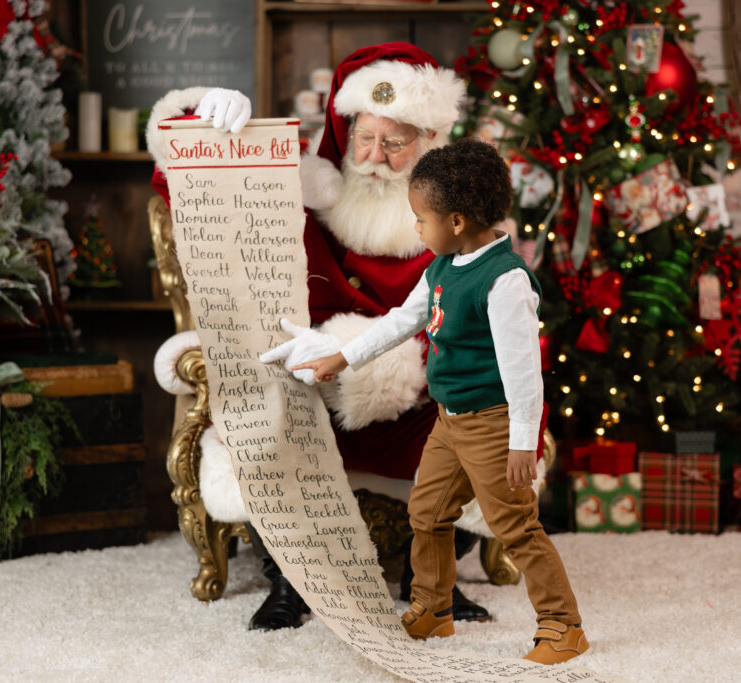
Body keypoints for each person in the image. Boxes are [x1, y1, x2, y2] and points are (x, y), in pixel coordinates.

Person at [147, 43, 497, 630]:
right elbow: (185, 184)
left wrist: (378, 362)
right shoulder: (305, 195)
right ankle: (290, 582)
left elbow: (482, 323)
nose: (375, 157)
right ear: (345, 127)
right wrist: (198, 115)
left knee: (479, 419)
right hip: (307, 390)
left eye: (396, 142)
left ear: (429, 145)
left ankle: (431, 580)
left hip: (416, 394)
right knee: (265, 414)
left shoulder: (462, 224)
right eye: (364, 137)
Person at [285, 139, 588, 665]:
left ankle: (564, 626)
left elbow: (524, 372)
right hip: (449, 422)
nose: (417, 229)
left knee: (515, 525)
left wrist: (524, 442)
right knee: (426, 512)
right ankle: (432, 608)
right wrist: (342, 357)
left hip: (494, 424)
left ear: (455, 220)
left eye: (420, 219)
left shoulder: (504, 281)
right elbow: (403, 320)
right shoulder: (442, 265)